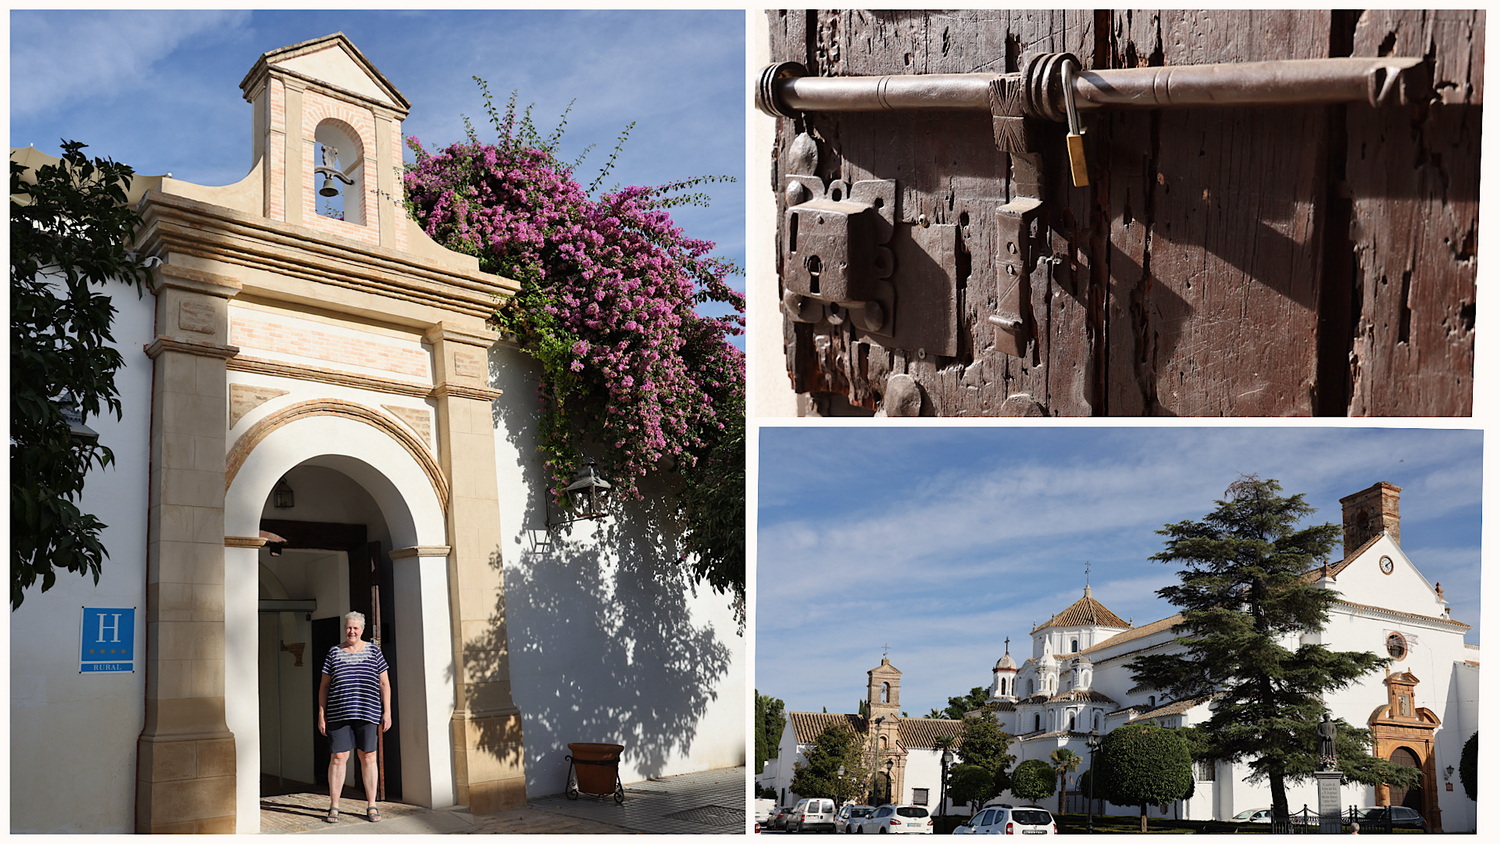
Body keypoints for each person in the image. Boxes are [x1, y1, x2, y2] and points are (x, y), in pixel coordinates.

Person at [317, 611, 392, 823]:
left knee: (368, 757)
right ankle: (334, 806)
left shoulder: (374, 652)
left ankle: (372, 804)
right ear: (345, 629)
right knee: (338, 758)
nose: (351, 631)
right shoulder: (334, 652)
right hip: (338, 713)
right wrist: (321, 714)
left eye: (355, 628)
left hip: (368, 712)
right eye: (349, 627)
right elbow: (324, 686)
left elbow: (384, 684)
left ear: (362, 630)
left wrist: (387, 711)